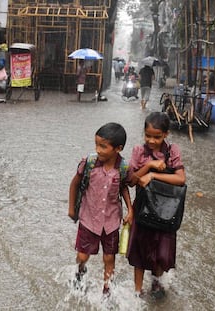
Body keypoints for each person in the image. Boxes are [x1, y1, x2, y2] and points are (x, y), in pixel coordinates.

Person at [68, 123, 134, 298]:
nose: (98, 150)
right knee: (82, 256)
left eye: (103, 146)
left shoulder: (123, 168)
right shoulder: (89, 163)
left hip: (111, 222)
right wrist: (71, 208)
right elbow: (75, 183)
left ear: (118, 149)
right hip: (88, 219)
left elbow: (124, 188)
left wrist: (130, 210)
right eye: (96, 144)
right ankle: (80, 272)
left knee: (109, 258)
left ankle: (107, 289)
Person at [126, 112, 186, 298]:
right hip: (143, 209)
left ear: (166, 134)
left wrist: (153, 175)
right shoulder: (139, 151)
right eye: (148, 136)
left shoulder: (172, 151)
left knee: (162, 253)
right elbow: (131, 180)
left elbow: (181, 178)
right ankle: (137, 291)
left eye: (157, 137)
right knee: (139, 252)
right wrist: (150, 165)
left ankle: (156, 283)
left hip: (166, 210)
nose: (151, 140)